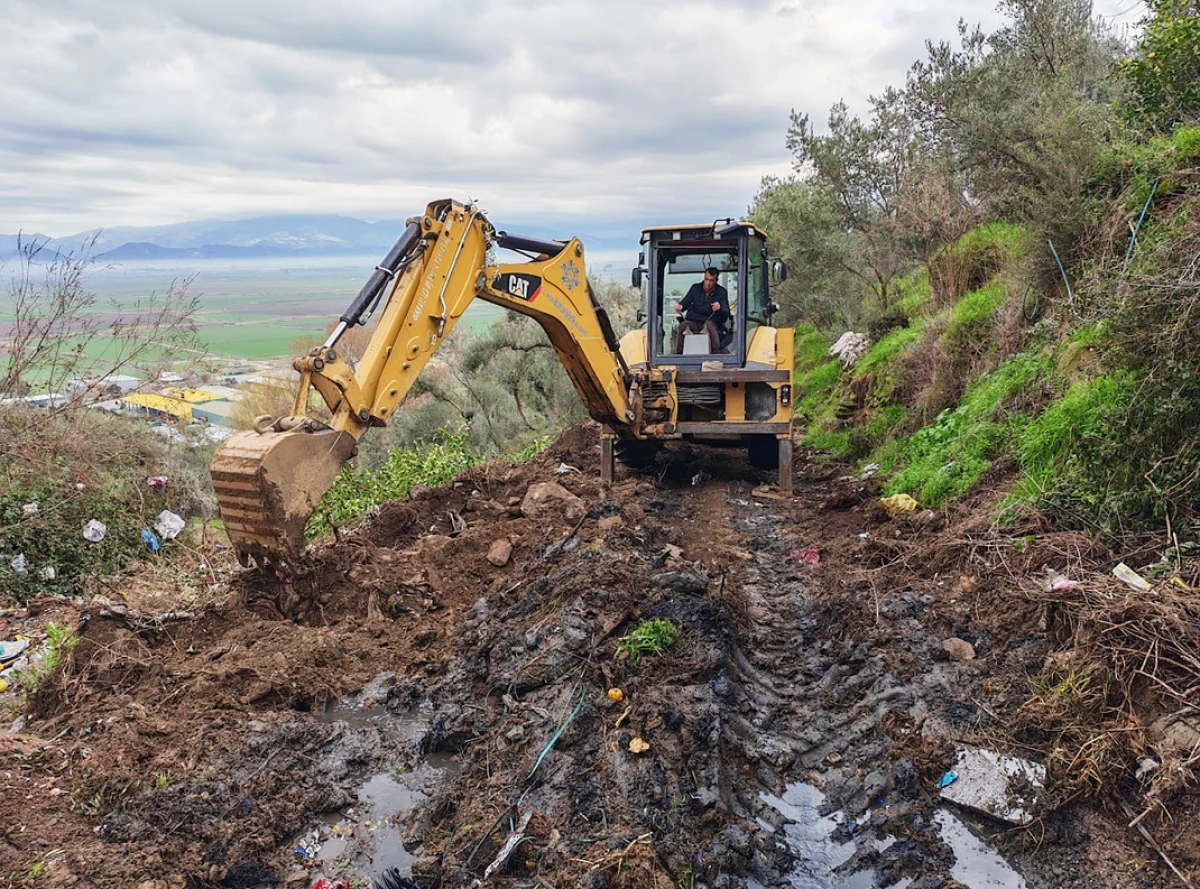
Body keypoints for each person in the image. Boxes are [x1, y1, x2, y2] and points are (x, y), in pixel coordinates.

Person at [674, 267, 730, 353]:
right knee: (683, 325)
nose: (708, 283)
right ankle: (679, 354)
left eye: (711, 280)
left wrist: (719, 309)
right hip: (693, 322)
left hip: (710, 322)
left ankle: (716, 354)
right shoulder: (695, 288)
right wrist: (680, 306)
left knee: (710, 325)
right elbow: (686, 302)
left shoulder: (722, 292)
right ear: (704, 277)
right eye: (706, 279)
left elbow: (726, 314)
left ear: (716, 280)